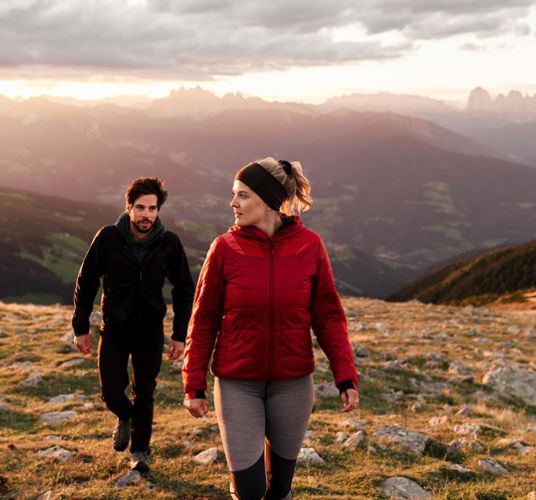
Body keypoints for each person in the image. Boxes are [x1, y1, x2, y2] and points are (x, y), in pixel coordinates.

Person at [182, 158, 359, 499]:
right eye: (234, 195)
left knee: (279, 490)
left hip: (292, 384)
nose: (233, 203)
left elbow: (328, 316)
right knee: (249, 490)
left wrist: (345, 376)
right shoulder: (224, 249)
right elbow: (203, 319)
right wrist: (194, 384)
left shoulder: (310, 246)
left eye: (242, 196)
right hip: (237, 383)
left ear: (267, 200)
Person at [72, 177, 194, 473]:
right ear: (129, 207)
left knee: (146, 390)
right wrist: (81, 327)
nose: (146, 215)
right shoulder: (108, 237)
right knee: (111, 392)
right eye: (140, 207)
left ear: (158, 210)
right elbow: (86, 282)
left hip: (151, 330)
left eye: (152, 208)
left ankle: (140, 451)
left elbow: (183, 289)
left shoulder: (169, 243)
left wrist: (179, 335)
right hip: (114, 328)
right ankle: (125, 416)